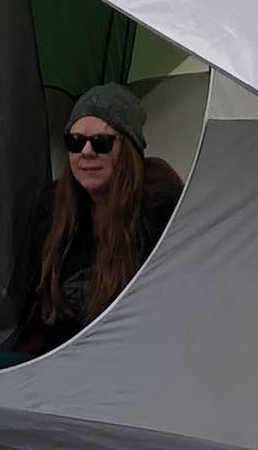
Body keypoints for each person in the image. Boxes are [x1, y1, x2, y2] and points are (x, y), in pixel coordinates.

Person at [24, 83, 184, 354]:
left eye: (101, 142)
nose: (86, 152)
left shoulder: (159, 208)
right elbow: (33, 301)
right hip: (56, 354)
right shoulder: (55, 205)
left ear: (128, 148)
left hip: (128, 355)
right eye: (75, 142)